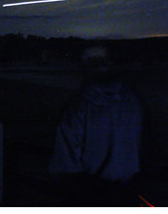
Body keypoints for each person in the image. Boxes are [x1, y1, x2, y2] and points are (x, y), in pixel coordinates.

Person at [48, 45, 145, 205]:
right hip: (127, 192)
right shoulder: (132, 101)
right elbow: (141, 146)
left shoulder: (78, 107)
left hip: (91, 194)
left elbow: (65, 162)